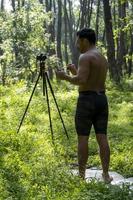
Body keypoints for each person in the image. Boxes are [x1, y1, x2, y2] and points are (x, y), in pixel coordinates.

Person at [56, 28, 113, 183]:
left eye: (78, 41)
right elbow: (88, 78)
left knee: (83, 138)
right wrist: (75, 71)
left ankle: (81, 176)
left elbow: (81, 81)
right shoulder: (102, 57)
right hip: (102, 99)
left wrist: (65, 77)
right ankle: (106, 175)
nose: (77, 44)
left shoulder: (85, 56)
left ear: (85, 41)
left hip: (86, 101)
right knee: (102, 137)